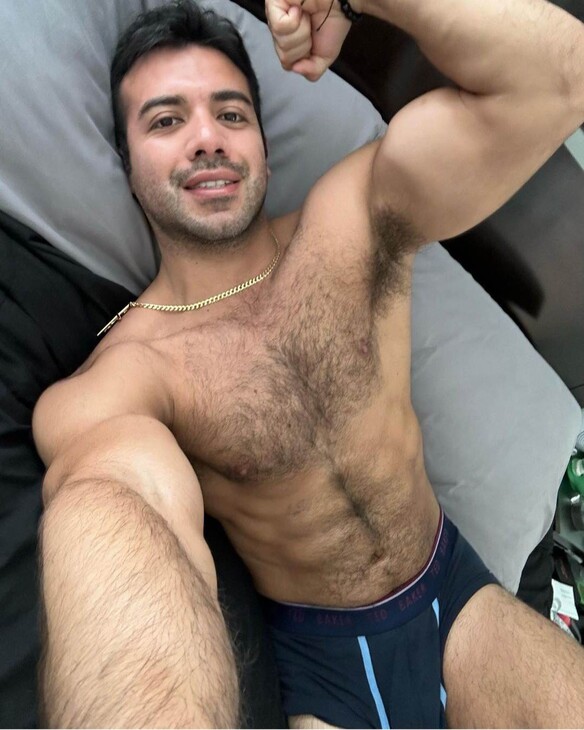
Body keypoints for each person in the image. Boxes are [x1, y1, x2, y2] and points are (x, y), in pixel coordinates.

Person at [32, 0, 584, 726]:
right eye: (165, 122)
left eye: (231, 114)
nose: (207, 139)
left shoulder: (350, 223)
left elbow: (559, 78)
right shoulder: (129, 372)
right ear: (129, 165)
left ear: (263, 144)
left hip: (459, 597)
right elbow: (115, 502)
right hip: (325, 673)